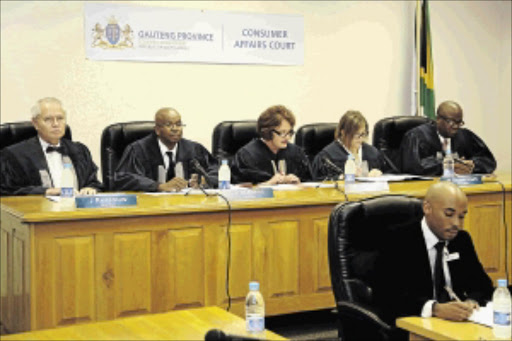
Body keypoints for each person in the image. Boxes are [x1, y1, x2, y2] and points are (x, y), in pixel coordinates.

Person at [374, 182, 493, 334]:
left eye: (461, 216)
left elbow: (482, 285)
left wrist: (471, 302)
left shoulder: (461, 240)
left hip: (457, 326)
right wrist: (435, 309)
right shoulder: (397, 239)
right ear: (427, 208)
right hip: (413, 327)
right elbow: (386, 296)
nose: (457, 224)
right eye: (449, 214)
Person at [0, 97, 102, 196]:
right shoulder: (15, 155)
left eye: (60, 118)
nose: (56, 124)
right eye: (48, 119)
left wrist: (91, 188)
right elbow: (7, 191)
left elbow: (93, 182)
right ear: (35, 123)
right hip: (37, 211)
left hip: (77, 211)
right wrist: (46, 192)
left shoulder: (80, 150)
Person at [114, 107, 218, 192]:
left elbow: (218, 170)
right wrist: (158, 186)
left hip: (187, 206)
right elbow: (124, 178)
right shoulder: (138, 150)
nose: (175, 129)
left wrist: (204, 180)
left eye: (178, 124)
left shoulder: (194, 149)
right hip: (150, 208)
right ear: (157, 130)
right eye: (169, 125)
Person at [400, 101, 496, 176]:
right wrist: (447, 166)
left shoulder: (464, 136)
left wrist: (472, 165)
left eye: (459, 122)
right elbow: (412, 166)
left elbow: (488, 161)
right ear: (438, 119)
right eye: (450, 121)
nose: (455, 126)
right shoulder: (417, 136)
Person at [231, 105, 312, 185]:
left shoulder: (296, 153)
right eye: (282, 133)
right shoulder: (247, 156)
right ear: (267, 132)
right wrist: (268, 184)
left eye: (289, 132)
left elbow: (311, 183)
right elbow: (239, 191)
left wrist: (298, 184)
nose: (287, 138)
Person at [312, 110, 390, 180]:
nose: (360, 139)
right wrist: (342, 177)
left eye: (363, 134)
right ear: (343, 133)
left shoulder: (372, 153)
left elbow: (391, 173)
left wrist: (379, 173)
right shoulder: (327, 157)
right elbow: (318, 181)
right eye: (356, 135)